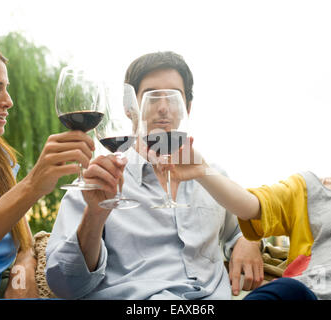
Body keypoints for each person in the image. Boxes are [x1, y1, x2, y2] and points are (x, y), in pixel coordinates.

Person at [45, 51, 264, 299]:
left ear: (187, 108)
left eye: (173, 97)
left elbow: (246, 224)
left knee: (291, 291)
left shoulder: (211, 178)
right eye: (152, 96)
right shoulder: (97, 183)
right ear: (131, 109)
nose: (163, 108)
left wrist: (250, 240)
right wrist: (94, 216)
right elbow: (64, 285)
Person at [158, 77, 331, 300]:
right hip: (305, 293)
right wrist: (203, 171)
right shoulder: (309, 188)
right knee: (286, 288)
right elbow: (251, 206)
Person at [0, 39, 95, 299]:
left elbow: (24, 243)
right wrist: (31, 187)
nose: (9, 101)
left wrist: (22, 273)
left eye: (7, 88)